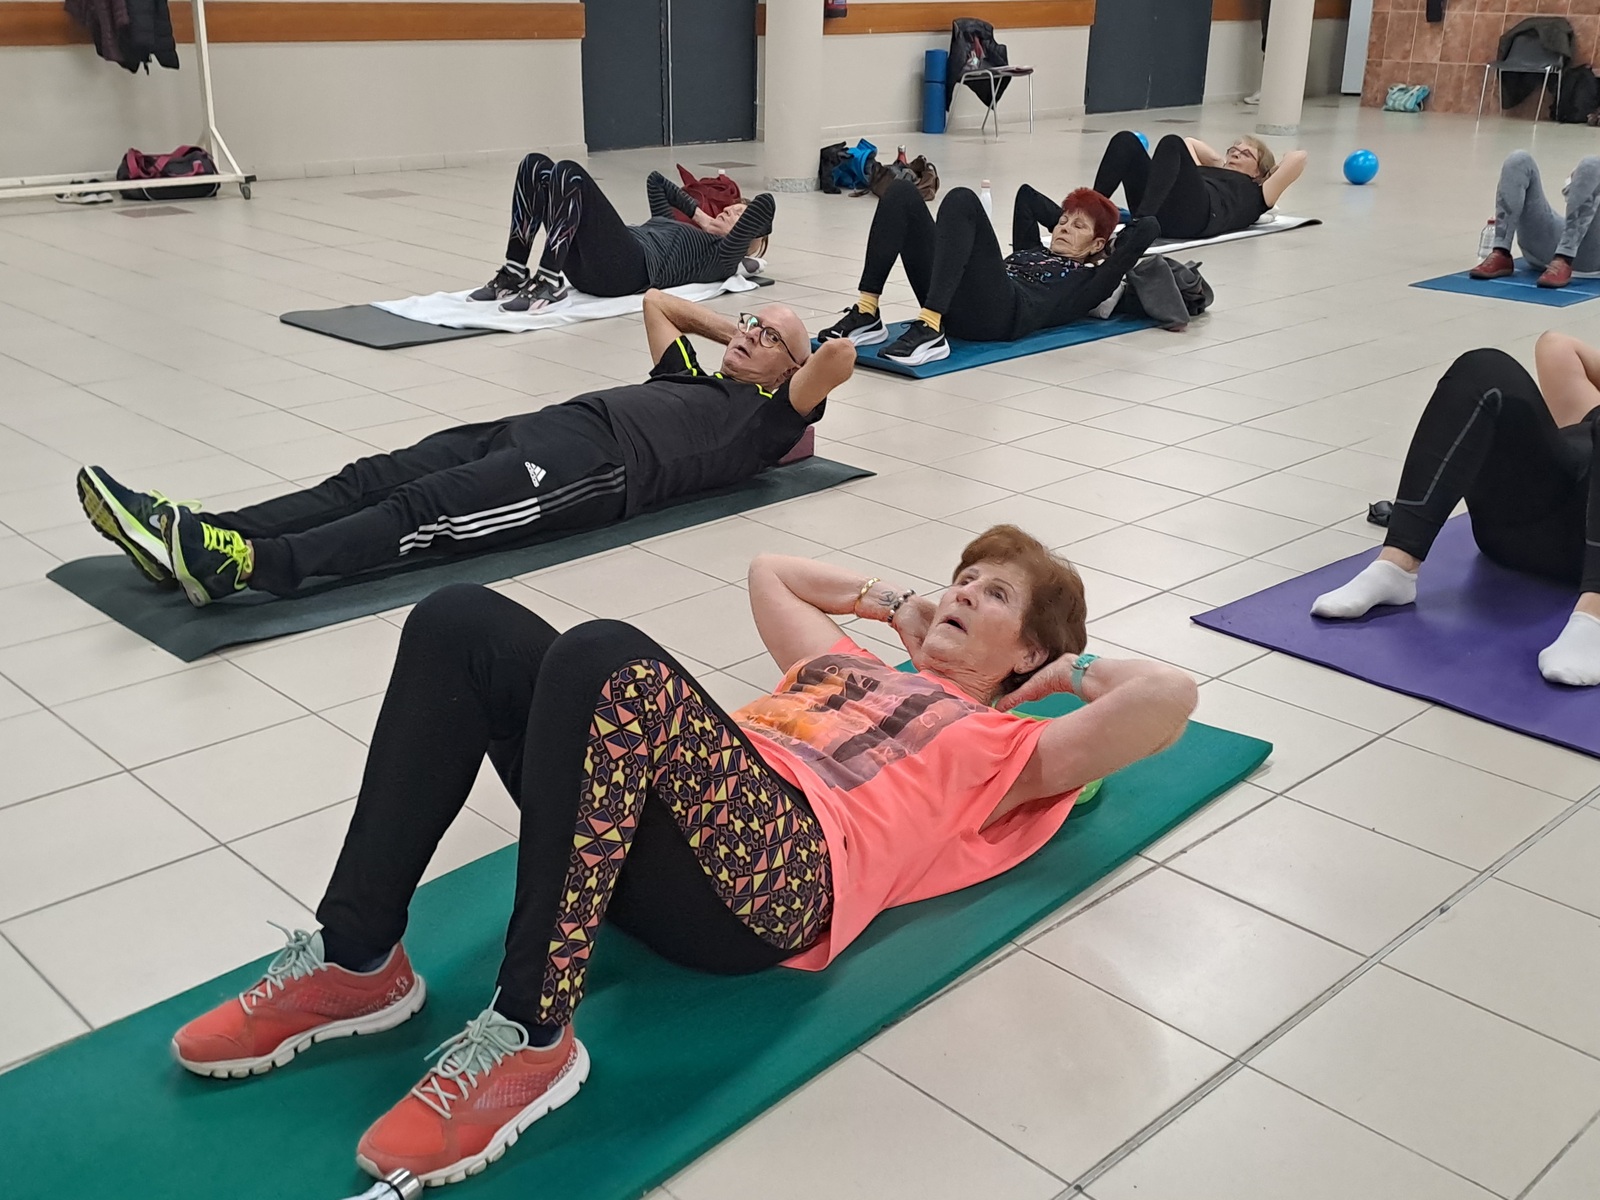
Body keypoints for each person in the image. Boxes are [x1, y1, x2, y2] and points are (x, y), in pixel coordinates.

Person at [166, 525, 1197, 1186]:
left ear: (1027, 649)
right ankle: (358, 960)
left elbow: (1168, 701)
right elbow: (770, 569)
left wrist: (1067, 674)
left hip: (783, 881)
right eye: (961, 578)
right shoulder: (842, 663)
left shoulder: (1009, 751)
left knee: (605, 654)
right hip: (657, 841)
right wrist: (894, 605)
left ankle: (531, 1040)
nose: (963, 592)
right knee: (459, 619)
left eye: (994, 596)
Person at [76, 293, 851, 607]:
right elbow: (659, 305)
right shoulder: (687, 373)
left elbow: (837, 358)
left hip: (589, 473)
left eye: (766, 337)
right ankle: (201, 533)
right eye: (749, 323)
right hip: (543, 425)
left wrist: (789, 355)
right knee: (372, 475)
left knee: (423, 510)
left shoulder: (767, 421)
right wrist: (745, 333)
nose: (748, 334)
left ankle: (248, 565)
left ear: (790, 369)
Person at [1312, 333, 1600, 686]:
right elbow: (1557, 346)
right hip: (1522, 526)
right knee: (1483, 365)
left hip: (1584, 563)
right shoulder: (1585, 405)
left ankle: (1595, 615)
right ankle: (1395, 568)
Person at [816, 179, 1160, 367]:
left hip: (999, 316)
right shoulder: (1031, 247)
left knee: (963, 200)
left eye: (1077, 227)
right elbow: (1027, 196)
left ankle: (930, 327)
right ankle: (867, 311)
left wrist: (1105, 241)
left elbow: (1148, 228)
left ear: (1098, 243)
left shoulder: (1090, 282)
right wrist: (1075, 215)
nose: (1064, 228)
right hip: (959, 297)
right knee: (901, 192)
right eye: (1062, 221)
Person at [467, 155, 775, 312]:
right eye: (733, 207)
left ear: (747, 235)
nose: (729, 210)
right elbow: (656, 181)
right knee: (535, 165)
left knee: (570, 172)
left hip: (628, 269)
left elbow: (766, 204)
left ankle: (549, 281)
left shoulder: (721, 257)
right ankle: (514, 272)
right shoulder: (678, 224)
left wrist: (730, 237)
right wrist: (703, 219)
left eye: (739, 215)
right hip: (593, 266)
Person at [1092, 131, 1307, 243]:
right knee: (1126, 141)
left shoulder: (1258, 192)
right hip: (1164, 207)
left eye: (1246, 154)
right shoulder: (1204, 172)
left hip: (1198, 217)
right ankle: (1089, 212)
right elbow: (1191, 142)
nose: (1235, 154)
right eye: (1233, 150)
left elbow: (1299, 157)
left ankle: (1140, 225)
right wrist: (1220, 163)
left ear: (1258, 172)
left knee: (1171, 142)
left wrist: (1271, 173)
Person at [1470, 150, 1600, 289]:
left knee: (1591, 164)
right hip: (1545, 250)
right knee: (1518, 160)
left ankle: (1564, 258)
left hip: (1591, 257)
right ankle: (1501, 251)